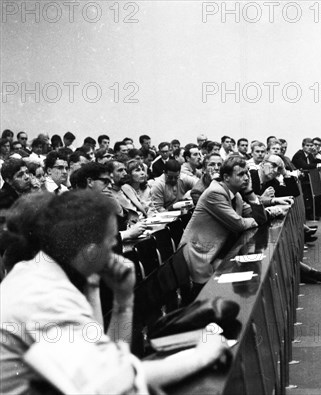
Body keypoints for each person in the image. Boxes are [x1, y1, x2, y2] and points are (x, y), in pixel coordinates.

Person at [0, 190, 229, 394]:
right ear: (90, 250)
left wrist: (123, 301)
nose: (115, 256)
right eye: (111, 245)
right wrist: (202, 356)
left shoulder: (41, 273)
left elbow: (109, 357)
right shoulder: (44, 296)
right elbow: (111, 384)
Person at [179, 156, 268, 290]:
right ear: (226, 177)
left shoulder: (236, 195)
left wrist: (250, 193)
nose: (246, 178)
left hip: (218, 251)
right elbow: (239, 224)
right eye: (241, 174)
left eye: (247, 173)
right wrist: (252, 220)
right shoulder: (215, 193)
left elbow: (260, 219)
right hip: (201, 254)